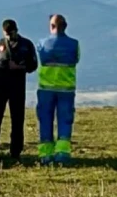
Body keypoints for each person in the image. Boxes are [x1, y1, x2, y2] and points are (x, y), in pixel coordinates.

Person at [0, 19, 37, 161]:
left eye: (11, 33)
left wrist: (20, 67)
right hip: (1, 82)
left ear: (16, 30)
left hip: (18, 84)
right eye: (6, 34)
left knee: (17, 118)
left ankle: (16, 151)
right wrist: (4, 65)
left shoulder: (27, 45)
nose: (9, 36)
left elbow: (33, 65)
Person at [37, 14, 80, 165]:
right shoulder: (74, 44)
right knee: (65, 120)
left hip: (46, 89)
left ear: (51, 26)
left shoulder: (42, 44)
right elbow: (76, 59)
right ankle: (62, 153)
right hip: (66, 90)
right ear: (65, 26)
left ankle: (46, 154)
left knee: (45, 120)